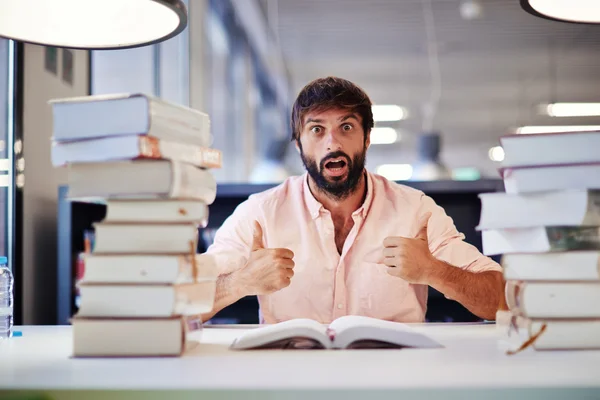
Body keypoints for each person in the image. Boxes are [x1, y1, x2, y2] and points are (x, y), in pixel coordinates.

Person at [202, 76, 505, 324]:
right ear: (298, 145)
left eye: (346, 127)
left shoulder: (416, 210)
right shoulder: (259, 213)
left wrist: (433, 270)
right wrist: (240, 282)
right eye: (317, 129)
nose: (332, 143)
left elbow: (503, 301)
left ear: (366, 138)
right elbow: (181, 303)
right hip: (292, 378)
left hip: (395, 378)